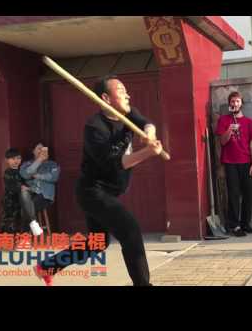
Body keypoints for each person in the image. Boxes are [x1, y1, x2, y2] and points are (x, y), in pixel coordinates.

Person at [34, 75, 162, 286]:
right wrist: (147, 152)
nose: (127, 94)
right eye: (120, 90)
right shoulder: (94, 128)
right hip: (92, 192)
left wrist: (150, 133)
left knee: (98, 243)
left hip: (109, 192)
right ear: (106, 98)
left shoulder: (127, 114)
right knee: (130, 231)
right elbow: (115, 163)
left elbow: (146, 122)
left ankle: (47, 267)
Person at [216, 91, 252, 237]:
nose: (235, 104)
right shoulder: (223, 120)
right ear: (229, 104)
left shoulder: (250, 123)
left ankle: (245, 224)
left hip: (246, 162)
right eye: (232, 101)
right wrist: (229, 130)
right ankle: (234, 226)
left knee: (248, 195)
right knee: (233, 195)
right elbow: (222, 142)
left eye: (237, 101)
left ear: (242, 103)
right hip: (230, 163)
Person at [20, 143, 60, 236]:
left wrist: (37, 176)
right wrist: (39, 160)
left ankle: (25, 236)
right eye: (38, 149)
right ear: (33, 151)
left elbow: (53, 177)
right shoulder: (28, 164)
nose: (41, 151)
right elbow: (25, 174)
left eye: (43, 149)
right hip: (31, 192)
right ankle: (33, 225)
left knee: (27, 208)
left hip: (45, 195)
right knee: (24, 194)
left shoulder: (52, 164)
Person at [0, 148, 25, 234]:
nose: (16, 161)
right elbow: (11, 186)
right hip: (9, 201)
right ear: (7, 160)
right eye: (13, 159)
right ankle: (6, 240)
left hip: (19, 200)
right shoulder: (8, 172)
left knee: (18, 220)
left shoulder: (21, 171)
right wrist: (21, 187)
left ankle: (17, 239)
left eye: (18, 158)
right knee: (8, 220)